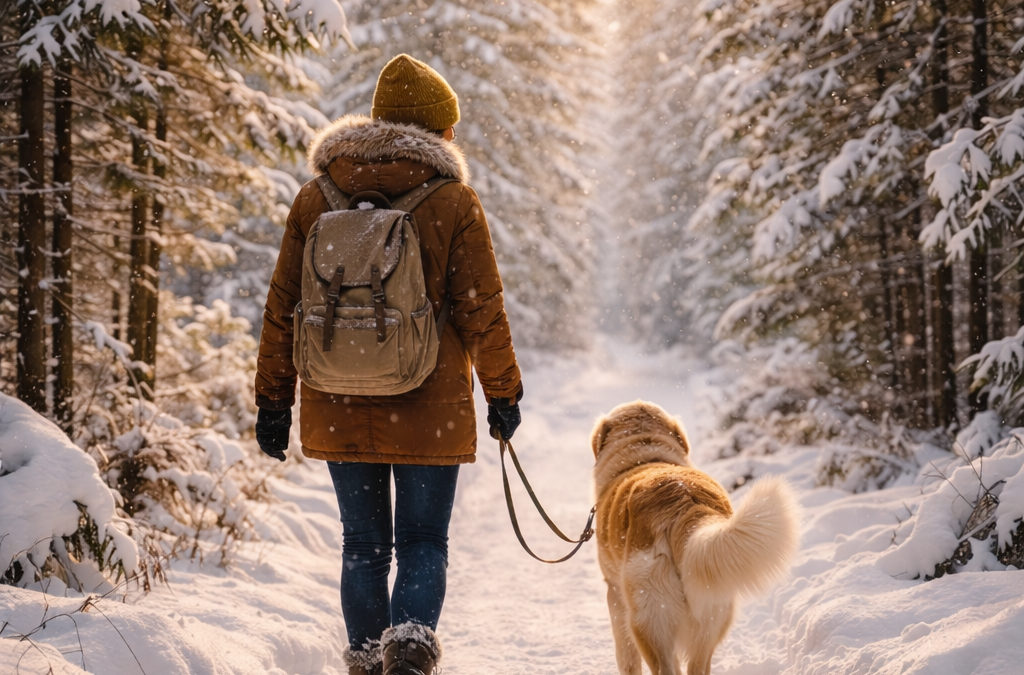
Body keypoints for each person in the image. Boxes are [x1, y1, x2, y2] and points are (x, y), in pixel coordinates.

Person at [253, 54, 524, 675]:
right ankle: (409, 648)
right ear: (436, 130)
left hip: (336, 395)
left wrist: (274, 399)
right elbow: (482, 309)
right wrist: (503, 393)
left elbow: (282, 308)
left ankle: (368, 660)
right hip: (429, 398)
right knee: (423, 542)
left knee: (363, 546)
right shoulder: (454, 199)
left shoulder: (315, 196)